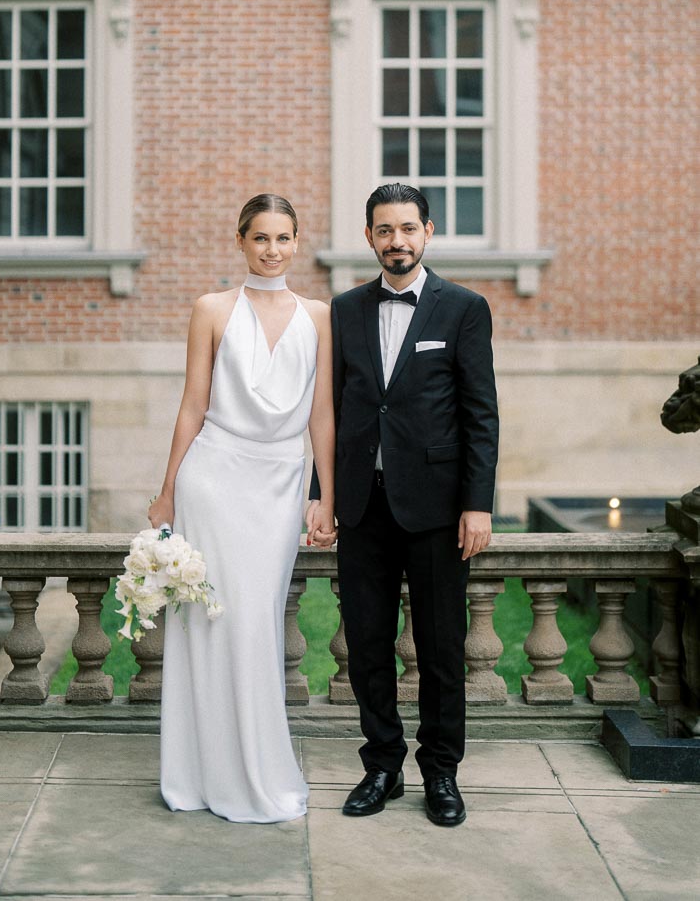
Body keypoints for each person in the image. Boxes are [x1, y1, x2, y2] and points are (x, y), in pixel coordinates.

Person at [307, 183, 498, 828]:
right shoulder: (345, 310)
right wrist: (322, 496)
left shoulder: (464, 309)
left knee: (442, 648)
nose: (398, 241)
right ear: (369, 238)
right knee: (366, 642)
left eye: (408, 229)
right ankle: (382, 764)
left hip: (440, 511)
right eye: (385, 230)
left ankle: (441, 772)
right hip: (364, 506)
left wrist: (478, 504)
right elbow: (328, 411)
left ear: (428, 231)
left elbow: (481, 414)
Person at [149, 193, 336, 823]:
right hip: (213, 480)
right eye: (261, 238)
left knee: (254, 623)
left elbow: (323, 415)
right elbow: (191, 406)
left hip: (280, 485)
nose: (273, 250)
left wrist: (324, 496)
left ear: (296, 241)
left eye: (284, 238)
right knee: (207, 622)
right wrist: (168, 488)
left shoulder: (320, 316)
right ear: (241, 240)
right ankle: (199, 774)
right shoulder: (210, 309)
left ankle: (256, 767)